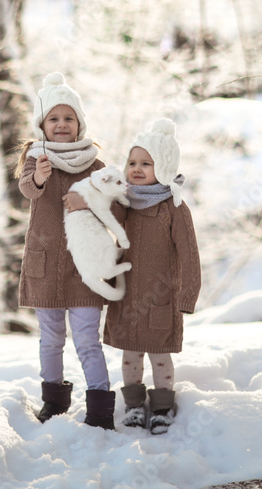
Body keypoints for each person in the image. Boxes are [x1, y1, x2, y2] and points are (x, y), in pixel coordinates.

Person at [15, 72, 118, 430]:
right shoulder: (36, 157)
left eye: (68, 118)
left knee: (88, 339)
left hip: (84, 267)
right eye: (53, 119)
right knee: (52, 338)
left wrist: (87, 197)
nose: (61, 125)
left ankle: (101, 409)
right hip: (45, 265)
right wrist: (40, 178)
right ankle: (53, 401)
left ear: (79, 123)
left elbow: (115, 202)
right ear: (42, 124)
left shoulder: (93, 164)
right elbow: (27, 189)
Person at [102, 118, 201, 435]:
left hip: (161, 298)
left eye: (147, 163)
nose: (137, 168)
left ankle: (161, 407)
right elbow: (104, 229)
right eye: (132, 162)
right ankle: (133, 406)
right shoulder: (125, 202)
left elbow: (189, 254)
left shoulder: (174, 207)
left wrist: (187, 296)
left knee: (160, 356)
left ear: (165, 167)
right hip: (128, 295)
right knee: (130, 355)